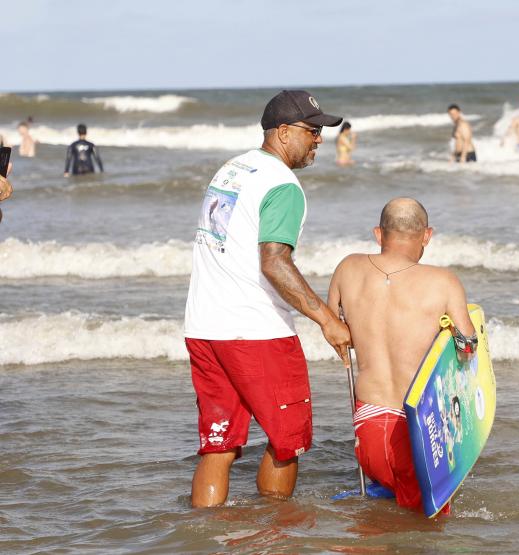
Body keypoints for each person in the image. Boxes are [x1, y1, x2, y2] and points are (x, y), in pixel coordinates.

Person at [183, 90, 351, 508]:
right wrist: (327, 319)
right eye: (311, 131)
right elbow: (274, 263)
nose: (319, 140)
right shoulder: (283, 185)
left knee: (218, 443)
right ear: (282, 131)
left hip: (205, 327)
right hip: (256, 332)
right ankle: (277, 534)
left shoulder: (232, 169)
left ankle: (206, 536)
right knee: (287, 440)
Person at [326, 197, 476, 514]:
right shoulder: (443, 281)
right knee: (425, 530)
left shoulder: (347, 268)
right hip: (418, 431)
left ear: (378, 234)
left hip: (367, 430)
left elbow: (337, 333)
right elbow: (467, 349)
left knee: (376, 534)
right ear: (427, 235)